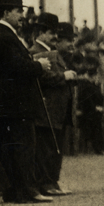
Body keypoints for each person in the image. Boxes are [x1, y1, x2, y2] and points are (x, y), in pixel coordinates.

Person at [0, 0, 54, 203]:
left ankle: (17, 191)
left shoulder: (3, 34)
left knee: (13, 147)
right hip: (15, 104)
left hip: (10, 103)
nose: (21, 15)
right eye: (18, 11)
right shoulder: (4, 35)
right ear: (6, 12)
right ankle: (27, 190)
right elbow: (15, 66)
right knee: (23, 146)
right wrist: (39, 65)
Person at [30, 12, 77, 195]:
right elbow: (42, 77)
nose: (55, 38)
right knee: (47, 148)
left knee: (55, 147)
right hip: (47, 107)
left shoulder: (53, 53)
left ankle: (52, 182)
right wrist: (63, 77)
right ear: (41, 32)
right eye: (51, 33)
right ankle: (46, 183)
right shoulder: (36, 52)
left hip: (57, 108)